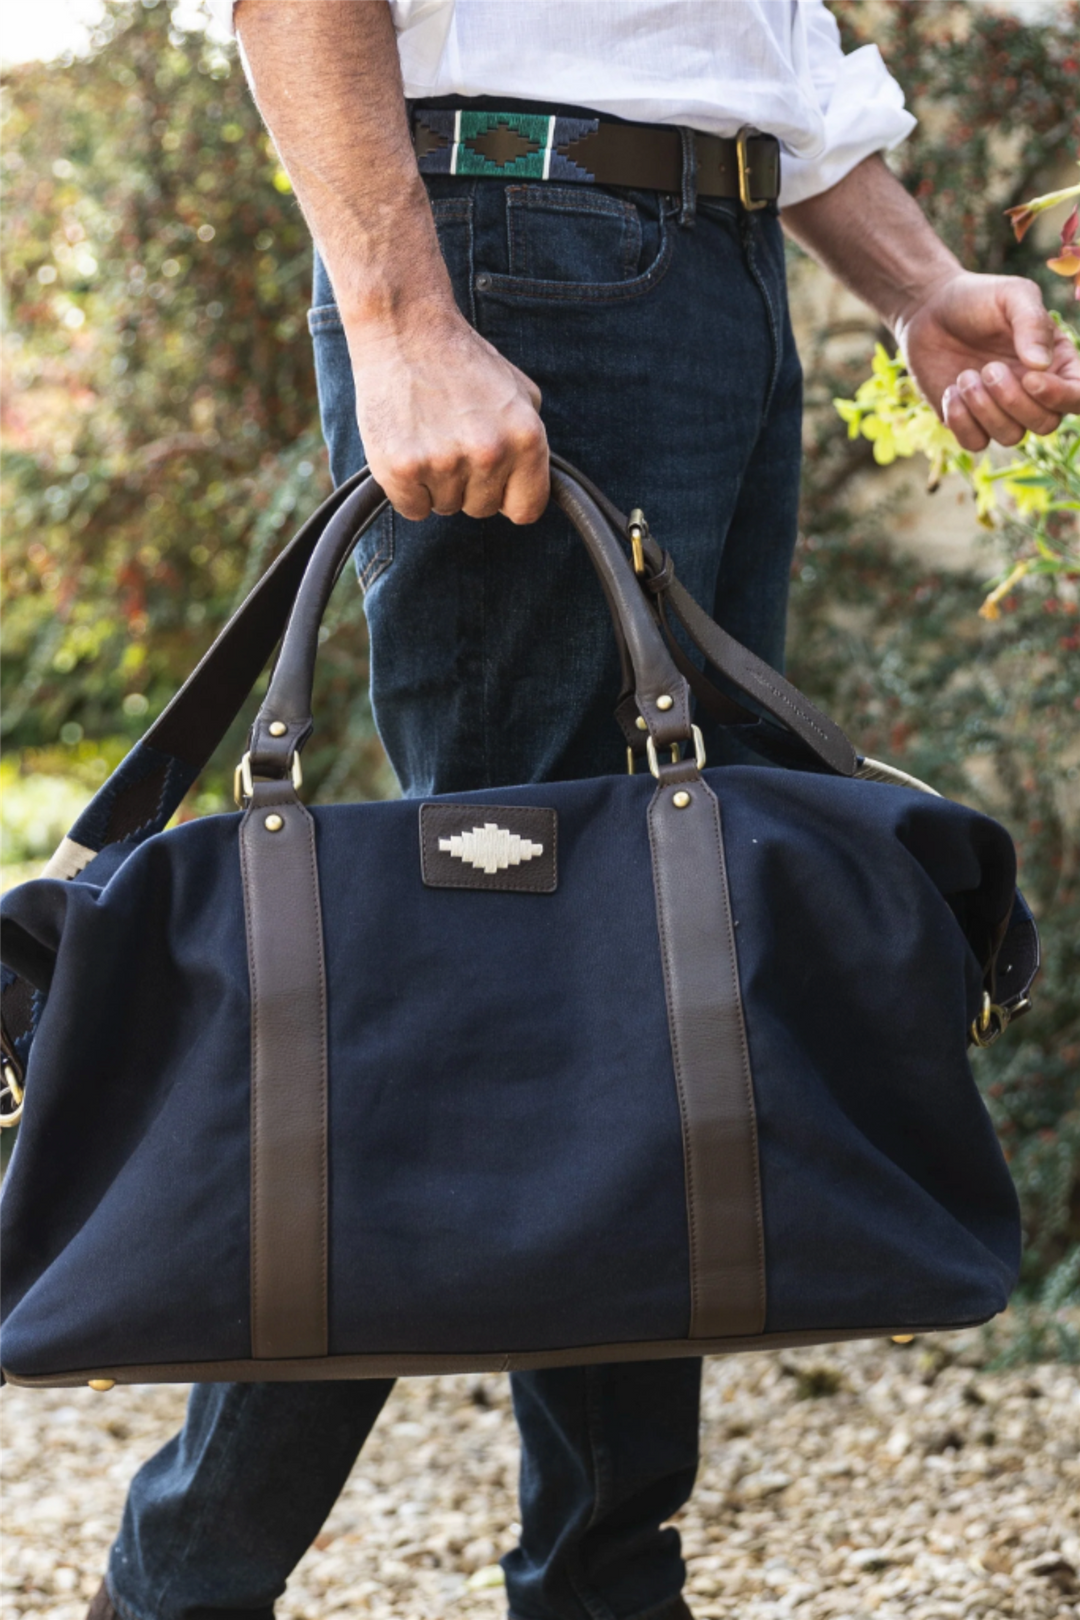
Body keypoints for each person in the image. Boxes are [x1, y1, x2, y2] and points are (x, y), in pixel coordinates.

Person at [88, 4, 1080, 1618]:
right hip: (519, 239)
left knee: (642, 983)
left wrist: (914, 284)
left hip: (712, 269)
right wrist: (402, 318)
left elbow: (752, 36)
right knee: (471, 991)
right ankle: (179, 1588)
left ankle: (606, 1584)